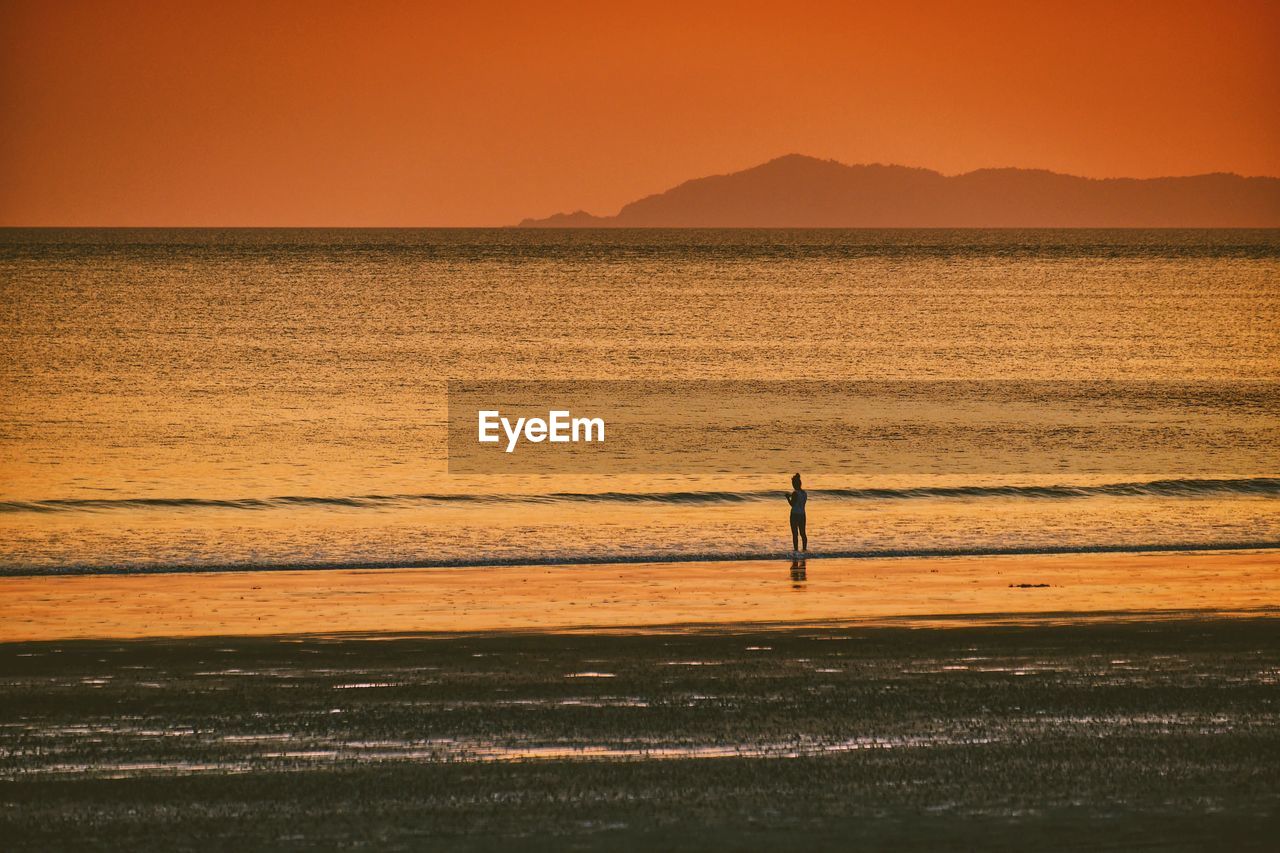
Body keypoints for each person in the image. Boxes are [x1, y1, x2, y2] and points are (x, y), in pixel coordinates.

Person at [786, 472, 807, 553]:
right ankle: (804, 550)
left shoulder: (795, 493)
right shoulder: (804, 493)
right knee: (803, 533)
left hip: (795, 515)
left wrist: (787, 498)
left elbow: (792, 504)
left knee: (795, 534)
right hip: (802, 514)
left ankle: (796, 551)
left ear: (795, 484)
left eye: (792, 483)